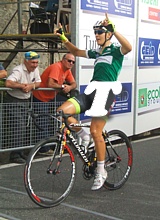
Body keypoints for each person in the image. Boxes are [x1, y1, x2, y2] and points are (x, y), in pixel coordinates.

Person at [56, 13, 132, 190]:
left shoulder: (115, 50)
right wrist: (62, 37)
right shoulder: (97, 51)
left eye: (100, 32)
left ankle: (101, 171)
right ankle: (84, 136)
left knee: (96, 131)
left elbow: (128, 47)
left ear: (109, 34)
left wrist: (115, 29)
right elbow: (75, 52)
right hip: (91, 92)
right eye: (95, 32)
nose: (96, 35)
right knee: (62, 113)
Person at [32, 53, 77, 154]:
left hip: (51, 97)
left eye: (73, 62)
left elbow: (74, 83)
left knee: (63, 111)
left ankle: (59, 142)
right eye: (69, 61)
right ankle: (43, 149)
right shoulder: (57, 67)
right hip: (41, 96)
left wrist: (69, 87)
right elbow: (50, 84)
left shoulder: (67, 70)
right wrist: (62, 87)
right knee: (43, 121)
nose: (71, 63)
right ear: (63, 60)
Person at [4, 51, 41, 163]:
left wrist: (31, 86)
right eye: (32, 63)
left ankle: (20, 152)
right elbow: (8, 83)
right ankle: (15, 155)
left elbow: (39, 82)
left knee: (24, 126)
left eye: (36, 63)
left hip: (25, 101)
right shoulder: (18, 70)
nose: (35, 65)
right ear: (26, 61)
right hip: (14, 101)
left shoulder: (35, 70)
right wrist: (21, 86)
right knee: (18, 126)